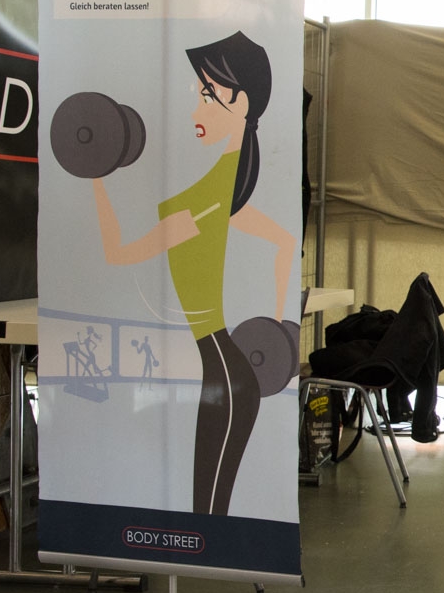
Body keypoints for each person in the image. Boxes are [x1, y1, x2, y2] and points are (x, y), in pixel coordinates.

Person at [89, 33, 296, 515]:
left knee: (207, 515)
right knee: (209, 512)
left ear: (240, 102)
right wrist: (279, 325)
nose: (195, 111)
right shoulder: (224, 190)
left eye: (206, 95)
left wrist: (97, 175)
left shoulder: (205, 201)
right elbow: (284, 243)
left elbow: (118, 253)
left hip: (223, 377)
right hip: (227, 373)